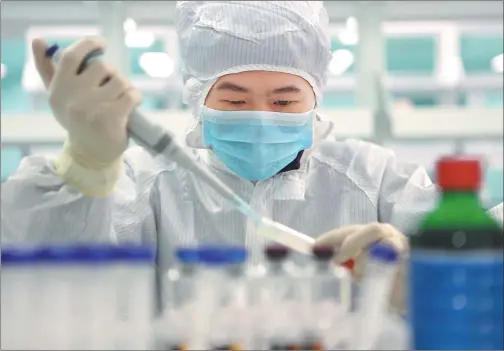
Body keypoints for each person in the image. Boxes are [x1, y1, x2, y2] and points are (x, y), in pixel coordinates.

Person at [1, 1, 502, 314]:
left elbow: (485, 262)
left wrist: (410, 273)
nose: (261, 116)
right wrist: (84, 166)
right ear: (198, 97)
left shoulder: (372, 179)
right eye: (235, 100)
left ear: (316, 100)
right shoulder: (145, 181)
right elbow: (40, 279)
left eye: (285, 100)